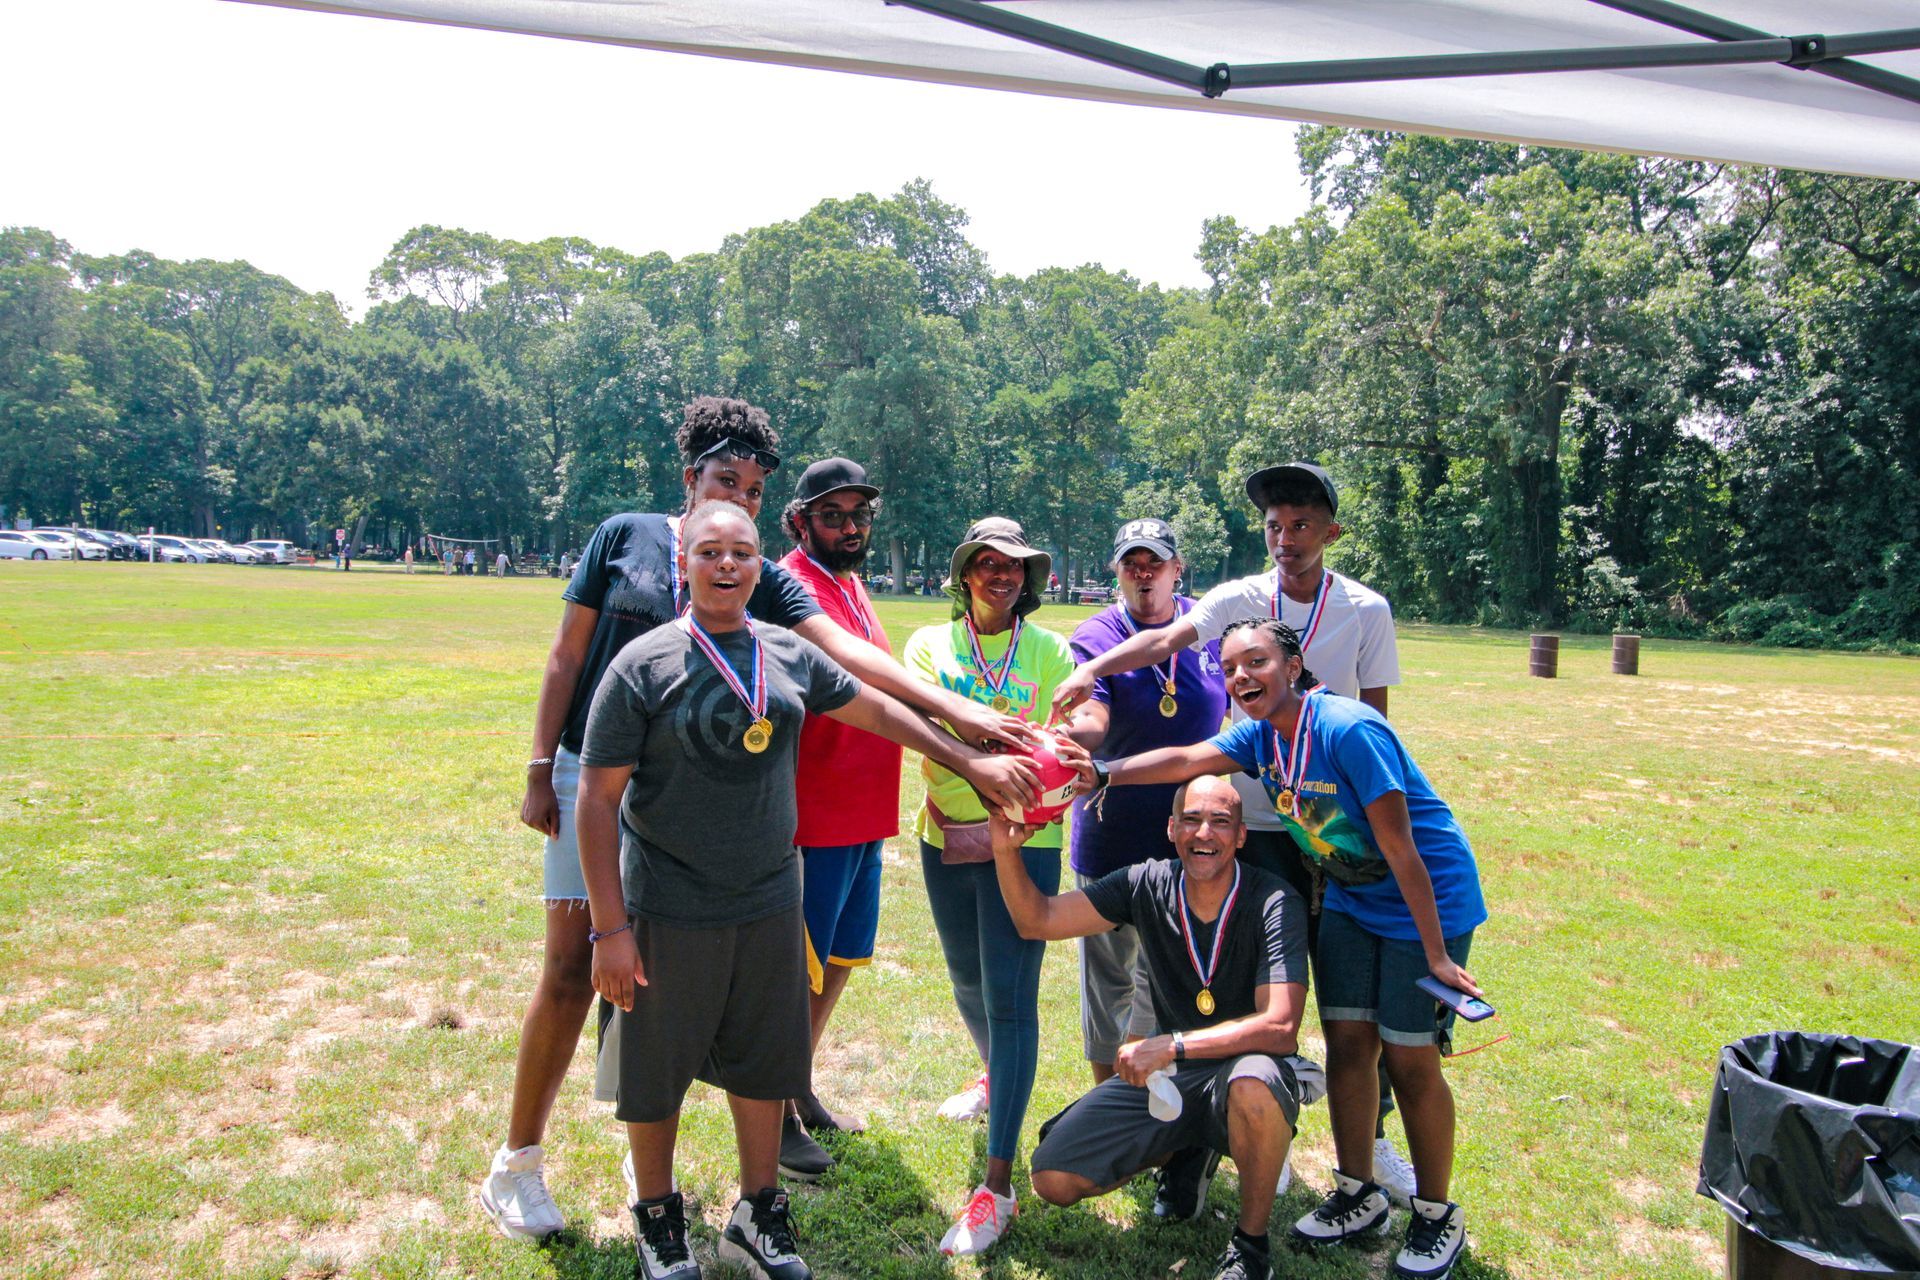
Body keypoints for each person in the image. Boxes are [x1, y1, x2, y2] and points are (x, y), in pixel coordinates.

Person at [480, 398, 1041, 1241]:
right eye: (723, 481)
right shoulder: (624, 536)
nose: (738, 501)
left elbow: (850, 664)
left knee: (652, 978)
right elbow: (567, 653)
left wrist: (963, 719)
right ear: (688, 480)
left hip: (686, 789)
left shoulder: (758, 571)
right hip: (590, 775)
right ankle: (516, 1165)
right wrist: (536, 768)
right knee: (575, 964)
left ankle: (649, 1152)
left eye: (751, 490)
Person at [579, 500, 1052, 1280]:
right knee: (654, 1072)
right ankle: (660, 1221)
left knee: (768, 1062)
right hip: (667, 906)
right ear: (684, 565)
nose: (726, 566)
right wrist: (609, 928)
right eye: (709, 553)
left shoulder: (785, 654)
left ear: (762, 565)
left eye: (742, 553)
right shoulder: (644, 664)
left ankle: (758, 1214)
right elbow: (596, 801)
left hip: (769, 899)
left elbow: (881, 711)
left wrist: (969, 757)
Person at [1076, 618, 1488, 1280]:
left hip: (1424, 903)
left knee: (1410, 1057)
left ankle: (1438, 1213)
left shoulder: (1348, 730)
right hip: (1352, 900)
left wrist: (1438, 956)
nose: (1243, 677)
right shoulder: (1264, 736)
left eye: (1257, 662)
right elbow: (1186, 761)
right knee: (1350, 1044)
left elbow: (1404, 848)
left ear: (1292, 666)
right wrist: (1102, 772)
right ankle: (1358, 1193)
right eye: (1231, 668)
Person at [1052, 461, 1417, 1203]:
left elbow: (1378, 721)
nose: (1285, 539)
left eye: (1302, 525)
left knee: (1348, 994)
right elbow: (1162, 642)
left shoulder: (1367, 609)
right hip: (1254, 820)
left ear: (1331, 532)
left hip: (1333, 837)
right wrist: (1092, 673)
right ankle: (1245, 1125)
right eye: (1275, 526)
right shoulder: (1240, 598)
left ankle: (1370, 1139)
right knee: (1244, 978)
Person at [989, 776, 1309, 1280]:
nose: (1205, 834)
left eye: (1221, 822)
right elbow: (1039, 920)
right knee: (1053, 1175)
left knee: (1252, 1086)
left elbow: (1281, 1027)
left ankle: (1250, 1247)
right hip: (1174, 1079)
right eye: (1192, 819)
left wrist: (1172, 1044)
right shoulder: (1145, 883)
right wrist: (1004, 850)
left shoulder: (1273, 901)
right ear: (1171, 827)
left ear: (1241, 836)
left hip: (1245, 1070)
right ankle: (1185, 1149)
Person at [903, 517, 1078, 1257]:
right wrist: (995, 739)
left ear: (1028, 580)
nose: (1002, 576)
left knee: (1009, 1001)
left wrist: (992, 738)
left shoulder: (1049, 648)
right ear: (966, 573)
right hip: (945, 829)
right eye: (988, 564)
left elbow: (1064, 728)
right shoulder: (927, 644)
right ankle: (991, 1076)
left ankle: (997, 1186)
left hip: (1024, 841)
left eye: (1015, 567)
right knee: (967, 981)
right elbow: (917, 718)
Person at [1061, 518, 1227, 1089]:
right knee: (1109, 980)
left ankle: (1169, 1097)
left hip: (1194, 841)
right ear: (1116, 573)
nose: (1143, 572)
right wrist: (1070, 741)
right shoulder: (1096, 636)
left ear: (1178, 569)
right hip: (1113, 832)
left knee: (1176, 976)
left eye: (1155, 561)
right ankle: (1106, 1102)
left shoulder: (1211, 625)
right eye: (1131, 562)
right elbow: (1093, 715)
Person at [774, 458, 895, 1175]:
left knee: (842, 960)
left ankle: (800, 1084)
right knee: (799, 971)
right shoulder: (789, 586)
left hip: (867, 808)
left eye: (859, 516)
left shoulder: (851, 584)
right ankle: (776, 1112)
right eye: (833, 516)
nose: (850, 528)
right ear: (800, 522)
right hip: (814, 813)